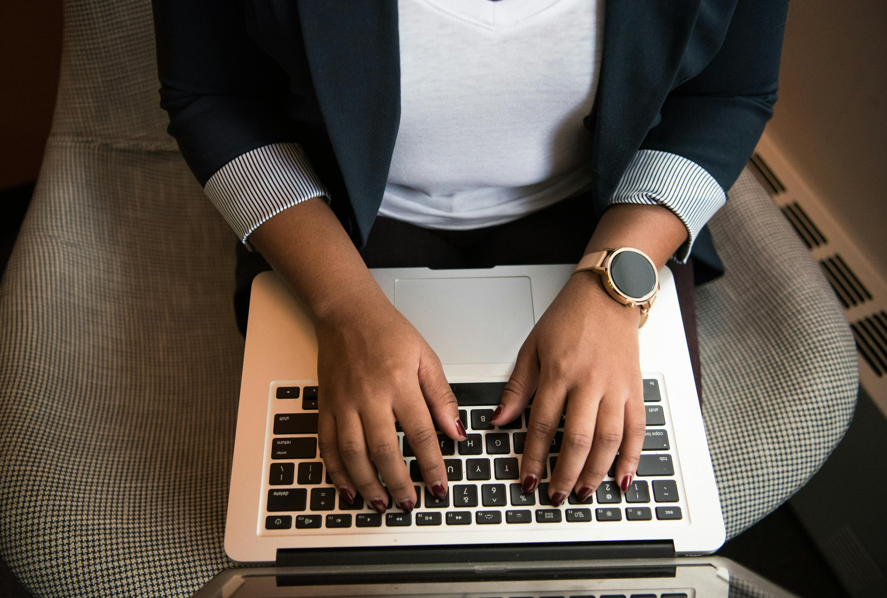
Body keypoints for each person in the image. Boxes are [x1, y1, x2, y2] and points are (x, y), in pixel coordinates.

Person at [152, 0, 788, 516]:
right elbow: (214, 94)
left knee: (604, 515)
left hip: (605, 203)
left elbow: (725, 96)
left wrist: (613, 286)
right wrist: (343, 305)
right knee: (348, 515)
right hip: (333, 206)